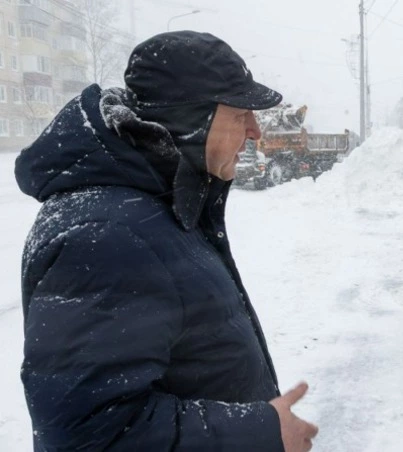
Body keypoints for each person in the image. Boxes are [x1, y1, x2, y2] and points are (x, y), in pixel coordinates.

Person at [15, 31, 318, 451]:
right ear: (190, 123)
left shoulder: (156, 207)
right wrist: (263, 431)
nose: (255, 133)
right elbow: (86, 434)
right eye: (238, 116)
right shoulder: (108, 234)